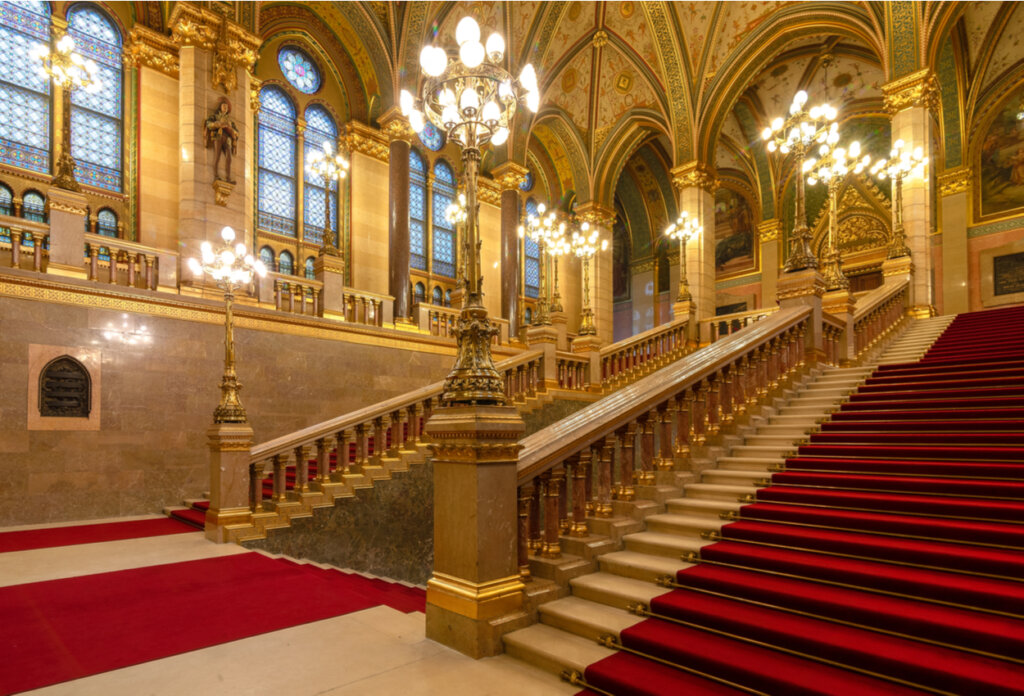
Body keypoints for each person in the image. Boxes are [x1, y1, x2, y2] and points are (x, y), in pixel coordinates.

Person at [205, 98, 239, 183]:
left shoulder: (230, 121)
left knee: (229, 158)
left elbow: (236, 132)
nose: (225, 108)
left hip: (227, 139)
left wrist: (231, 129)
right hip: (218, 137)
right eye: (224, 106)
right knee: (217, 156)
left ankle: (228, 178)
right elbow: (208, 124)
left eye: (226, 107)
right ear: (220, 107)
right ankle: (216, 176)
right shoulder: (215, 116)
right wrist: (218, 124)